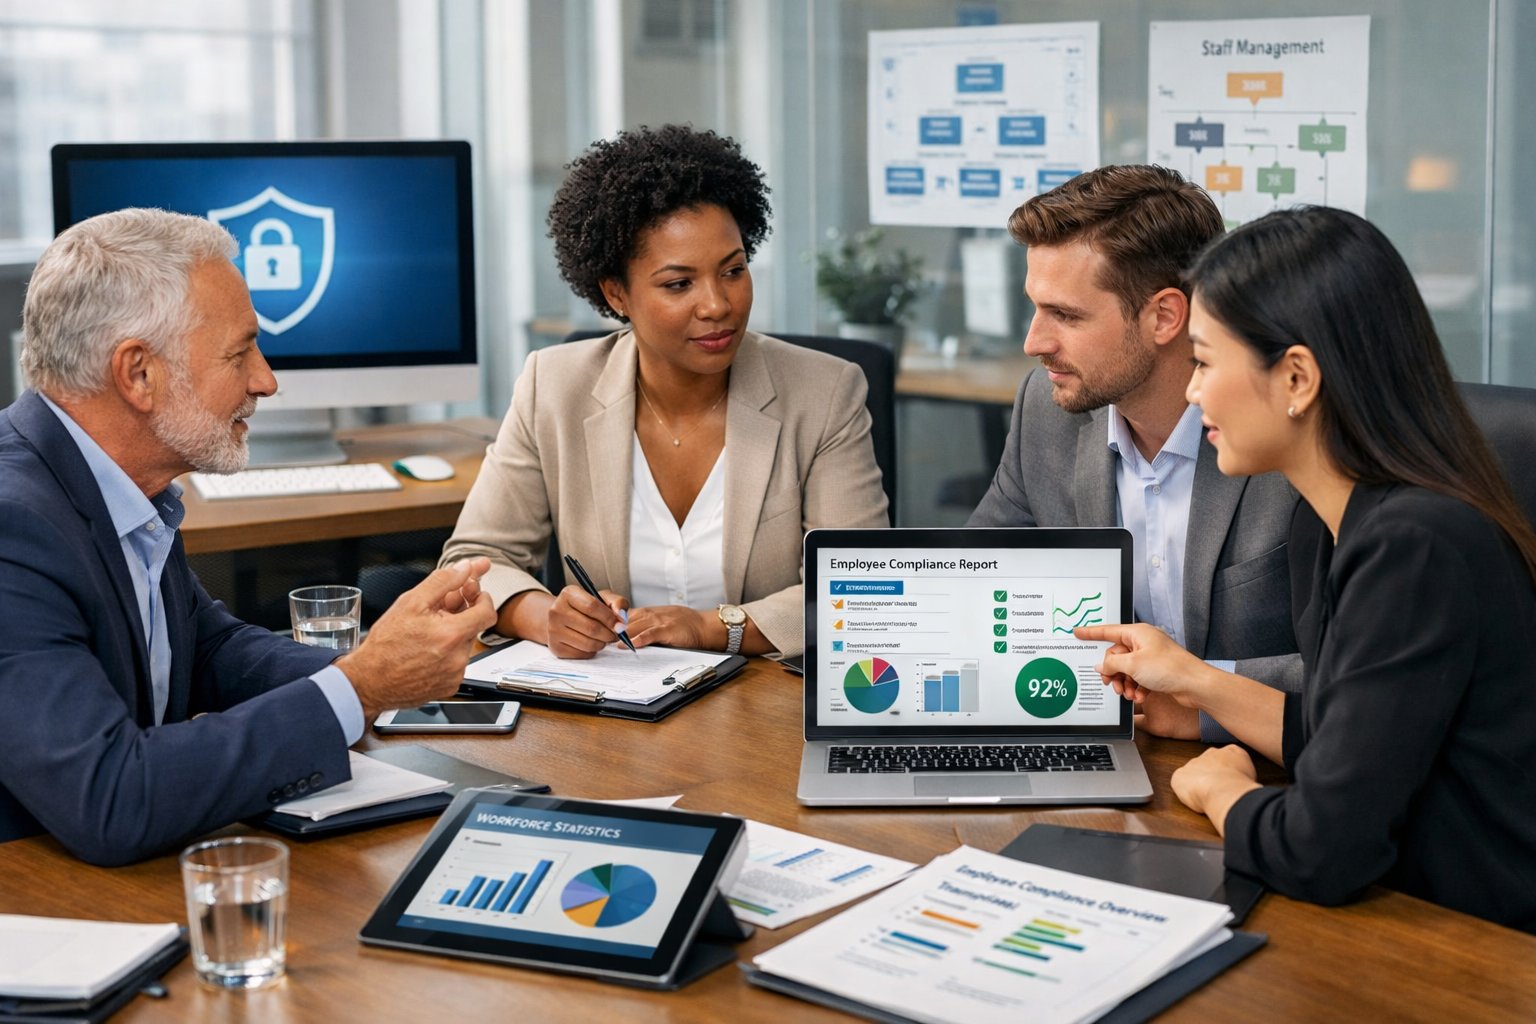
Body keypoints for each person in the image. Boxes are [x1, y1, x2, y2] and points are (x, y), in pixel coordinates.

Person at [1079, 207, 1536, 931]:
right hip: (1407, 905)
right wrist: (1200, 688)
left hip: (1473, 938)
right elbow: (1350, 731)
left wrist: (1223, 791)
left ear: (1296, 377)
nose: (1192, 394)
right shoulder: (1331, 526)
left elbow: (1320, 850)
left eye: (1202, 362)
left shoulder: (1414, 545)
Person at [0, 208, 496, 865]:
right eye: (240, 353)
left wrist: (383, 665)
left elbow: (206, 650)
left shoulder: (114, 484)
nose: (266, 380)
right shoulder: (16, 528)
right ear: (138, 374)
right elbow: (113, 797)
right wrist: (362, 688)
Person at [440, 125, 887, 659]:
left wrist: (714, 628)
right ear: (616, 294)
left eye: (734, 271)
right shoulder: (554, 385)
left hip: (762, 708)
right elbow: (473, 559)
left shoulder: (824, 393)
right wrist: (541, 617)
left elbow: (863, 587)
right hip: (611, 710)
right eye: (679, 284)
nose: (717, 304)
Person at [967, 165, 1299, 741]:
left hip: (1272, 775)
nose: (1033, 343)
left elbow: (1361, 676)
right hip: (1101, 749)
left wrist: (1197, 695)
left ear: (1165, 316)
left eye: (1066, 315)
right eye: (1036, 308)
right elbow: (973, 579)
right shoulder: (1047, 409)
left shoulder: (1285, 434)